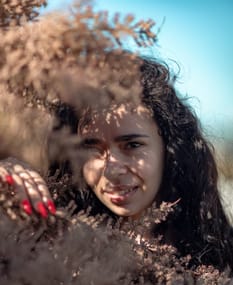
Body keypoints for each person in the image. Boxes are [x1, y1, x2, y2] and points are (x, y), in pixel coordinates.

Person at [0, 57, 232, 270]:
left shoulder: (221, 257)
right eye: (90, 148)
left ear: (171, 149)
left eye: (132, 145)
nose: (111, 169)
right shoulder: (57, 244)